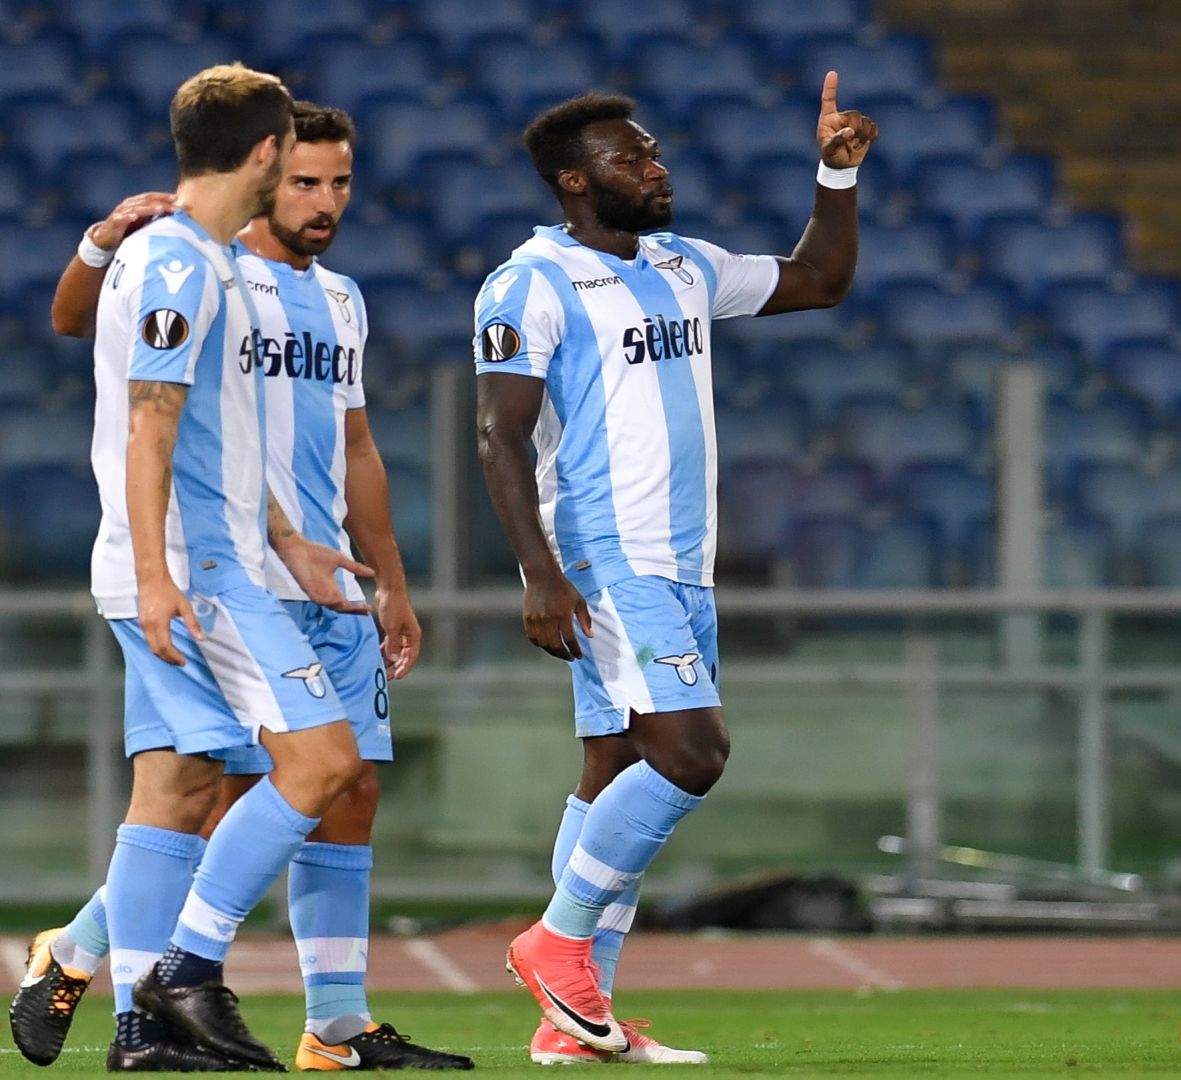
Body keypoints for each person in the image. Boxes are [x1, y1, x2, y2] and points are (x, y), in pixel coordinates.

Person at [15, 103, 470, 1071]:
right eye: (303, 179)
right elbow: (96, 347)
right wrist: (99, 240)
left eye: (340, 182)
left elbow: (354, 444)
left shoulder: (338, 298)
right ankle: (151, 976)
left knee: (337, 788)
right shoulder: (198, 260)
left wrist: (386, 579)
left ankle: (323, 1023)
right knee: (223, 790)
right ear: (265, 166)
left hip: (308, 567)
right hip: (219, 572)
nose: (324, 201)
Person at [473, 74, 875, 1065]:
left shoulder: (682, 265)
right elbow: (498, 433)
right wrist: (539, 574)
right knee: (692, 754)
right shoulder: (531, 282)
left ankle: (574, 1021)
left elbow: (818, 279)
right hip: (608, 555)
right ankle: (556, 942)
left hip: (683, 561)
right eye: (632, 157)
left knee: (613, 767)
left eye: (653, 152)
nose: (656, 169)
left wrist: (834, 176)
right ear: (576, 180)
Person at [69, 62, 382, 1072]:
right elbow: (151, 426)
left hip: (227, 555)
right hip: (199, 571)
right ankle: (185, 971)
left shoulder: (201, 259)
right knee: (323, 765)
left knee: (178, 784)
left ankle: (135, 1028)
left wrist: (288, 536)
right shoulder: (179, 265)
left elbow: (219, 429)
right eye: (294, 156)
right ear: (266, 152)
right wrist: (161, 577)